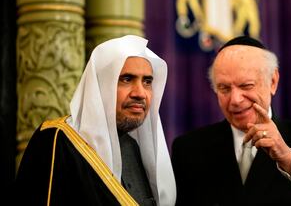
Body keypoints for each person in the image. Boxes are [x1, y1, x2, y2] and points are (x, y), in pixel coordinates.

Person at [171, 36, 291, 205]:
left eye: (245, 86)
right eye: (224, 88)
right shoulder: (188, 149)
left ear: (273, 82)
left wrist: (288, 160)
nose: (235, 100)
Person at [15, 35, 176, 206]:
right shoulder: (57, 140)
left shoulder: (134, 148)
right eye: (127, 79)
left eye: (147, 82)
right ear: (101, 84)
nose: (140, 93)